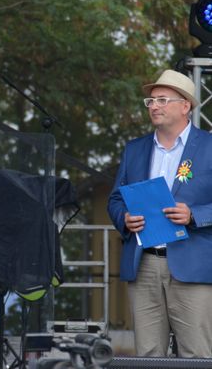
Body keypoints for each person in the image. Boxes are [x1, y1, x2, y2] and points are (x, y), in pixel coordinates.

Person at [108, 69, 212, 358]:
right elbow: (116, 199)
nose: (154, 106)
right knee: (148, 355)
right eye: (151, 101)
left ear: (186, 105)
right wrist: (124, 219)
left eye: (163, 100)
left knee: (197, 356)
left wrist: (195, 214)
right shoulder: (135, 149)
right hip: (144, 266)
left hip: (192, 266)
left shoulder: (209, 147)